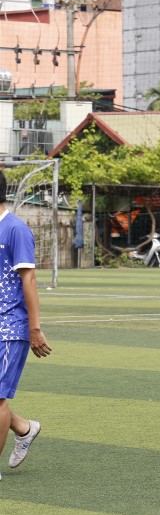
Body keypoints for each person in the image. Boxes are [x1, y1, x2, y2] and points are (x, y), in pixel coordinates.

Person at [0, 171, 51, 480]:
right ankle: (23, 428)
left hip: (8, 326)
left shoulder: (16, 230)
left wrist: (34, 329)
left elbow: (28, 279)